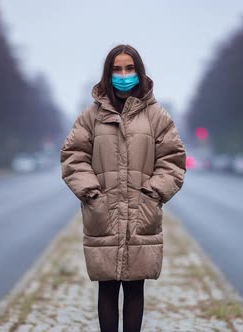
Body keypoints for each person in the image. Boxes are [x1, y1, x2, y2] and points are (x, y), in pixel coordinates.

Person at [60, 44, 186, 332]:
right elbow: (73, 156)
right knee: (106, 286)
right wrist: (91, 192)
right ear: (108, 74)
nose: (123, 74)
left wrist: (153, 193)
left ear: (139, 72)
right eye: (117, 69)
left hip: (141, 212)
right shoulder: (91, 116)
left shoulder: (157, 116)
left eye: (129, 68)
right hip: (103, 212)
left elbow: (173, 160)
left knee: (134, 287)